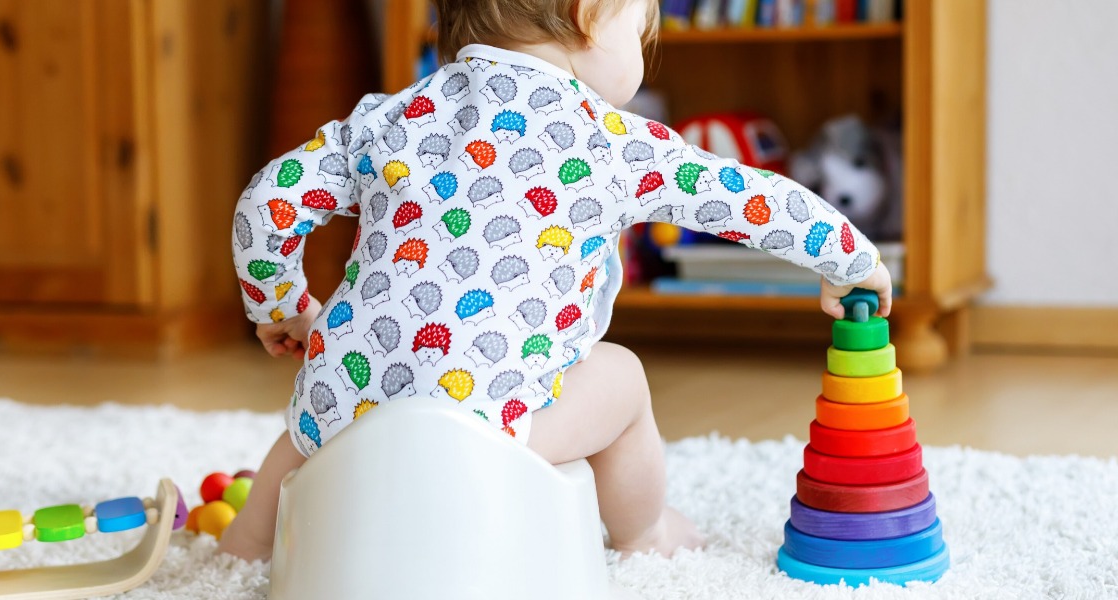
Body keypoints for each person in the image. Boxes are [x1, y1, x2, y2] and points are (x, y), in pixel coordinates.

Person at [219, 0, 894, 562]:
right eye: (641, 32)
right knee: (622, 379)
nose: (642, 49)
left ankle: (248, 548)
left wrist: (281, 304)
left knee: (315, 416)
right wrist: (851, 259)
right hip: (492, 432)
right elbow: (752, 200)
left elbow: (266, 201)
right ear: (589, 17)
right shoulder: (617, 141)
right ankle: (643, 532)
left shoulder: (385, 119)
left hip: (348, 416)